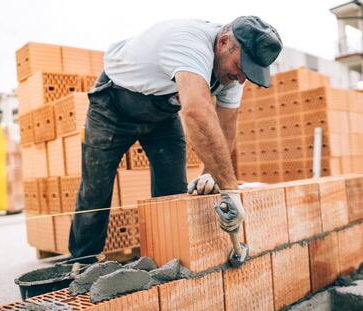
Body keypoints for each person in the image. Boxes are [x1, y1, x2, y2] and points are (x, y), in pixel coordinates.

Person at [68, 16, 283, 262]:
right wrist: (229, 189)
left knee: (172, 192)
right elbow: (196, 111)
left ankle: (168, 262)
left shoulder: (232, 68)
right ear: (223, 42)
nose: (242, 78)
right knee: (95, 189)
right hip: (113, 105)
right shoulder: (189, 43)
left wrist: (209, 175)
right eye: (241, 67)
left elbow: (227, 124)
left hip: (162, 113)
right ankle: (80, 266)